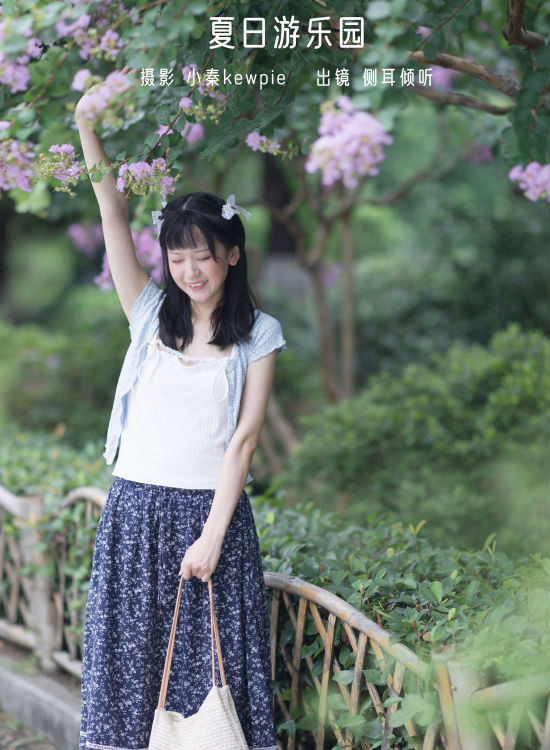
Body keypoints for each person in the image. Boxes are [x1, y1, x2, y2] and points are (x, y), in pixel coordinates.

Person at [75, 70, 285, 750]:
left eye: (203, 255)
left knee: (208, 692)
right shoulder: (146, 316)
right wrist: (86, 122)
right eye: (177, 256)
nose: (190, 269)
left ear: (230, 253)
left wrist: (213, 536)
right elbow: (112, 212)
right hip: (134, 513)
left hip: (208, 517)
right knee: (131, 677)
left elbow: (245, 440)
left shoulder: (259, 333)